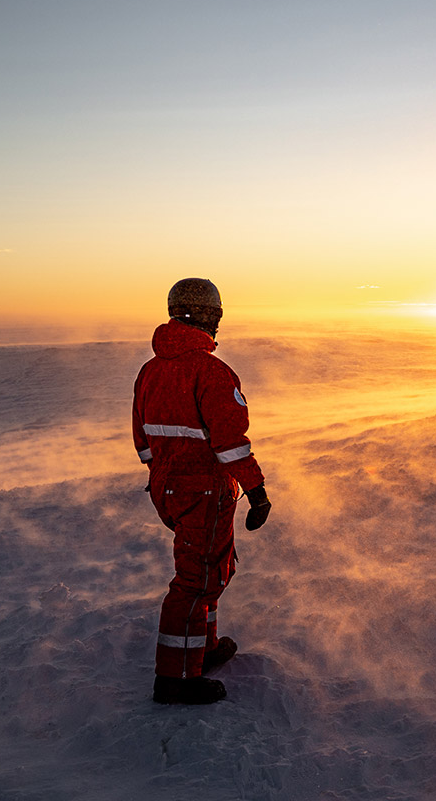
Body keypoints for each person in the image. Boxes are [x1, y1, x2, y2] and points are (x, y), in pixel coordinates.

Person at [132, 277, 272, 705]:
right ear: (211, 316)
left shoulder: (151, 370)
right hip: (204, 490)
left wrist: (165, 477)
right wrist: (257, 489)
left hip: (169, 487)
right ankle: (176, 677)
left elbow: (142, 439)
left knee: (210, 569)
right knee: (196, 581)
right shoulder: (211, 371)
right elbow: (230, 442)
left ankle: (202, 650)